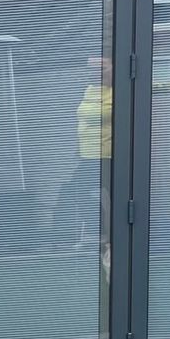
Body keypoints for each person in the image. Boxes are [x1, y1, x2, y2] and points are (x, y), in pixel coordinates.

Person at [72, 55, 112, 248]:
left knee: (108, 196)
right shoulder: (90, 90)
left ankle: (107, 234)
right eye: (92, 69)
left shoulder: (116, 91)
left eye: (101, 68)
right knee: (82, 193)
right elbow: (83, 115)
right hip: (86, 154)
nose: (95, 72)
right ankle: (96, 232)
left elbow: (100, 115)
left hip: (105, 155)